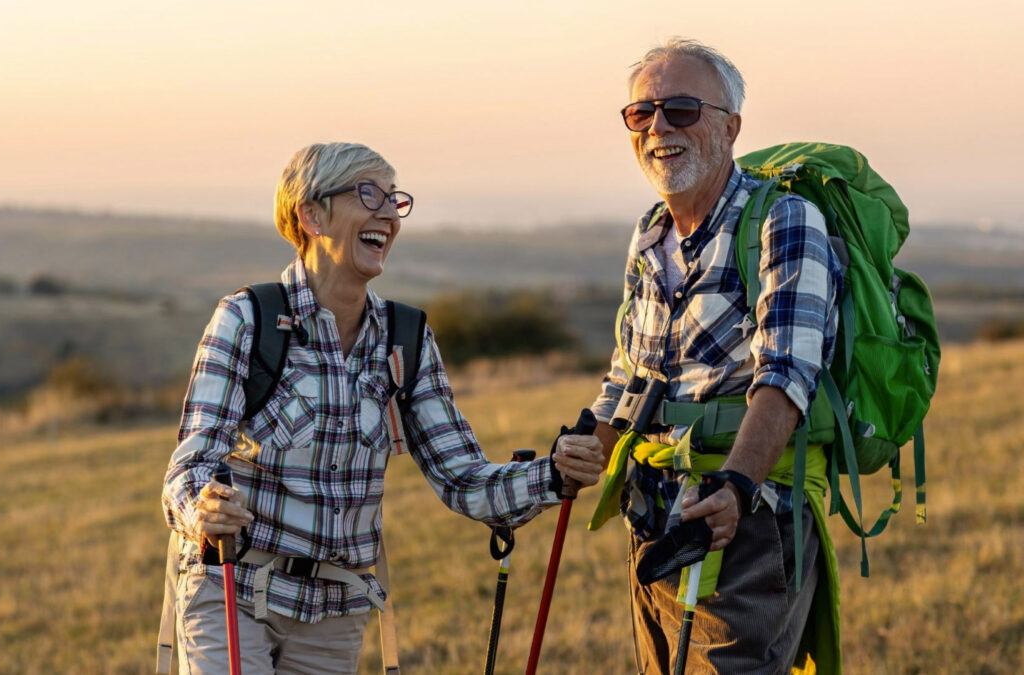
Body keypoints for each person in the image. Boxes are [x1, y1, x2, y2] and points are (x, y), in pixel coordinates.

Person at [161, 142, 605, 674]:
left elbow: (463, 480)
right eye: (368, 194)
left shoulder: (405, 338)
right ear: (311, 215)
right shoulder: (247, 319)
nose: (388, 214)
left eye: (395, 200)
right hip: (231, 588)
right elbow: (188, 469)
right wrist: (202, 507)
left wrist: (554, 476)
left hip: (335, 612)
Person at [589, 39, 844, 673]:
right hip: (653, 520)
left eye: (680, 109)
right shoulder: (650, 231)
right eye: (640, 114)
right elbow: (629, 375)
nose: (658, 129)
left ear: (731, 127)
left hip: (748, 521)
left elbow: (786, 377)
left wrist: (735, 486)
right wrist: (581, 445)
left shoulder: (784, 220)